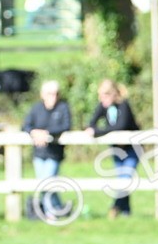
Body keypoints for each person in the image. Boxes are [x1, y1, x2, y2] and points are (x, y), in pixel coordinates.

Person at [84, 79, 140, 219]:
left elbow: (120, 126)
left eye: (106, 95)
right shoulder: (103, 106)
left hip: (132, 149)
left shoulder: (124, 106)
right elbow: (91, 123)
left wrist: (98, 131)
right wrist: (94, 129)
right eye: (101, 95)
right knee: (123, 179)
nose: (103, 98)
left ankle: (115, 207)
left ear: (114, 94)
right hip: (117, 150)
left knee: (125, 178)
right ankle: (126, 212)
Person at [22, 80, 72, 220]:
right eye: (50, 94)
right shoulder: (36, 108)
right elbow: (25, 125)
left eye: (56, 94)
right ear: (42, 94)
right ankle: (59, 208)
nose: (53, 97)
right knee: (44, 183)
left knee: (47, 182)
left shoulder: (63, 107)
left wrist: (46, 132)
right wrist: (34, 132)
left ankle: (50, 212)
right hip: (39, 153)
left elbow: (66, 126)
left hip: (54, 153)